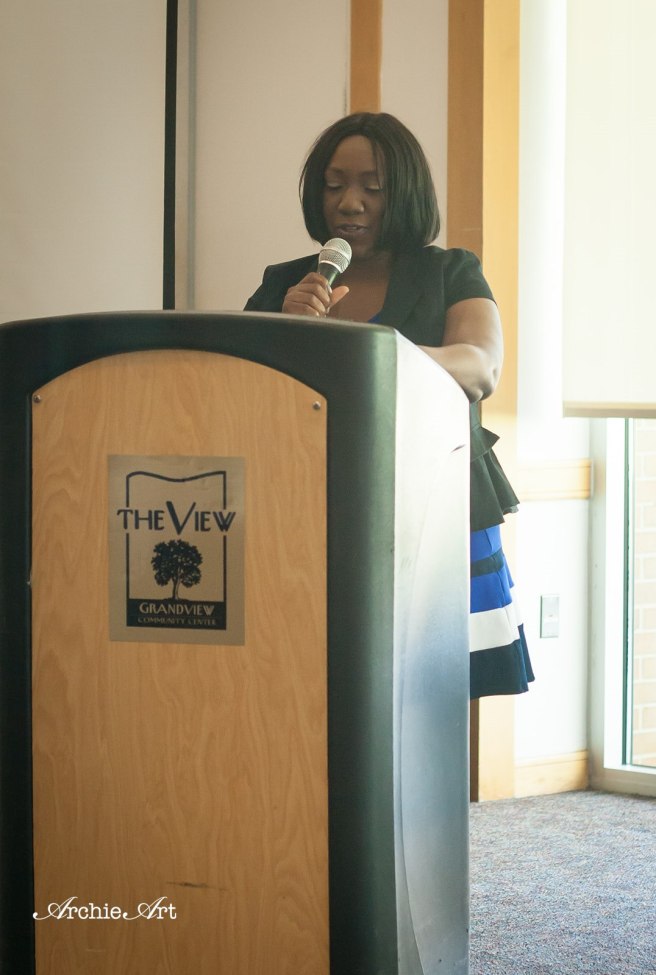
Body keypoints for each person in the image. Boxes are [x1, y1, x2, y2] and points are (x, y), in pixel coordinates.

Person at [245, 112, 533, 700]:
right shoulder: (286, 285)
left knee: (440, 690)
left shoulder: (449, 271)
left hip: (437, 502)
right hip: (314, 503)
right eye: (333, 185)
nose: (349, 203)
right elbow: (240, 389)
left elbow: (480, 366)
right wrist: (286, 330)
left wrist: (367, 352)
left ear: (403, 192)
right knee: (323, 679)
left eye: (371, 188)